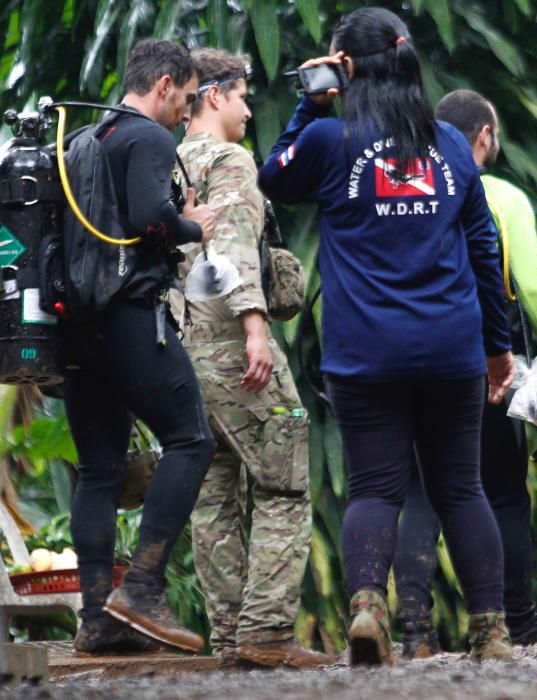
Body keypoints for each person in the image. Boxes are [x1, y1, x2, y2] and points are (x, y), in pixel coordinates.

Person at [259, 7, 515, 664]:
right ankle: (491, 631)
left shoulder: (328, 141)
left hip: (365, 351)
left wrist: (311, 103)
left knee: (375, 487)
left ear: (341, 66)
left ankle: (369, 609)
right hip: (451, 347)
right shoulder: (451, 145)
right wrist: (497, 347)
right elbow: (483, 249)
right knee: (460, 487)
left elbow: (272, 175)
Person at [392, 90, 537, 658]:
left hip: (404, 352)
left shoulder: (404, 188)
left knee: (419, 491)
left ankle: (415, 632)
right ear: (483, 135)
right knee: (501, 491)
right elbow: (531, 281)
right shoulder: (498, 194)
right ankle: (515, 621)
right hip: (481, 353)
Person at [175, 48, 333, 670]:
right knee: (284, 482)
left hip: (179, 357)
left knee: (211, 498)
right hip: (233, 349)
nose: (248, 109)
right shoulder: (230, 160)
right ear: (213, 95)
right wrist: (256, 330)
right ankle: (265, 631)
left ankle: (228, 638)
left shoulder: (166, 160)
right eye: (241, 96)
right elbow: (237, 248)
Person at [65, 38, 217, 654]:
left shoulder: (85, 139)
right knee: (191, 439)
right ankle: (144, 588)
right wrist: (193, 227)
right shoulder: (150, 138)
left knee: (99, 471)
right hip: (129, 317)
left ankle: (98, 619)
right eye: (184, 97)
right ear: (162, 86)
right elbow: (152, 217)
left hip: (77, 326)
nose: (185, 111)